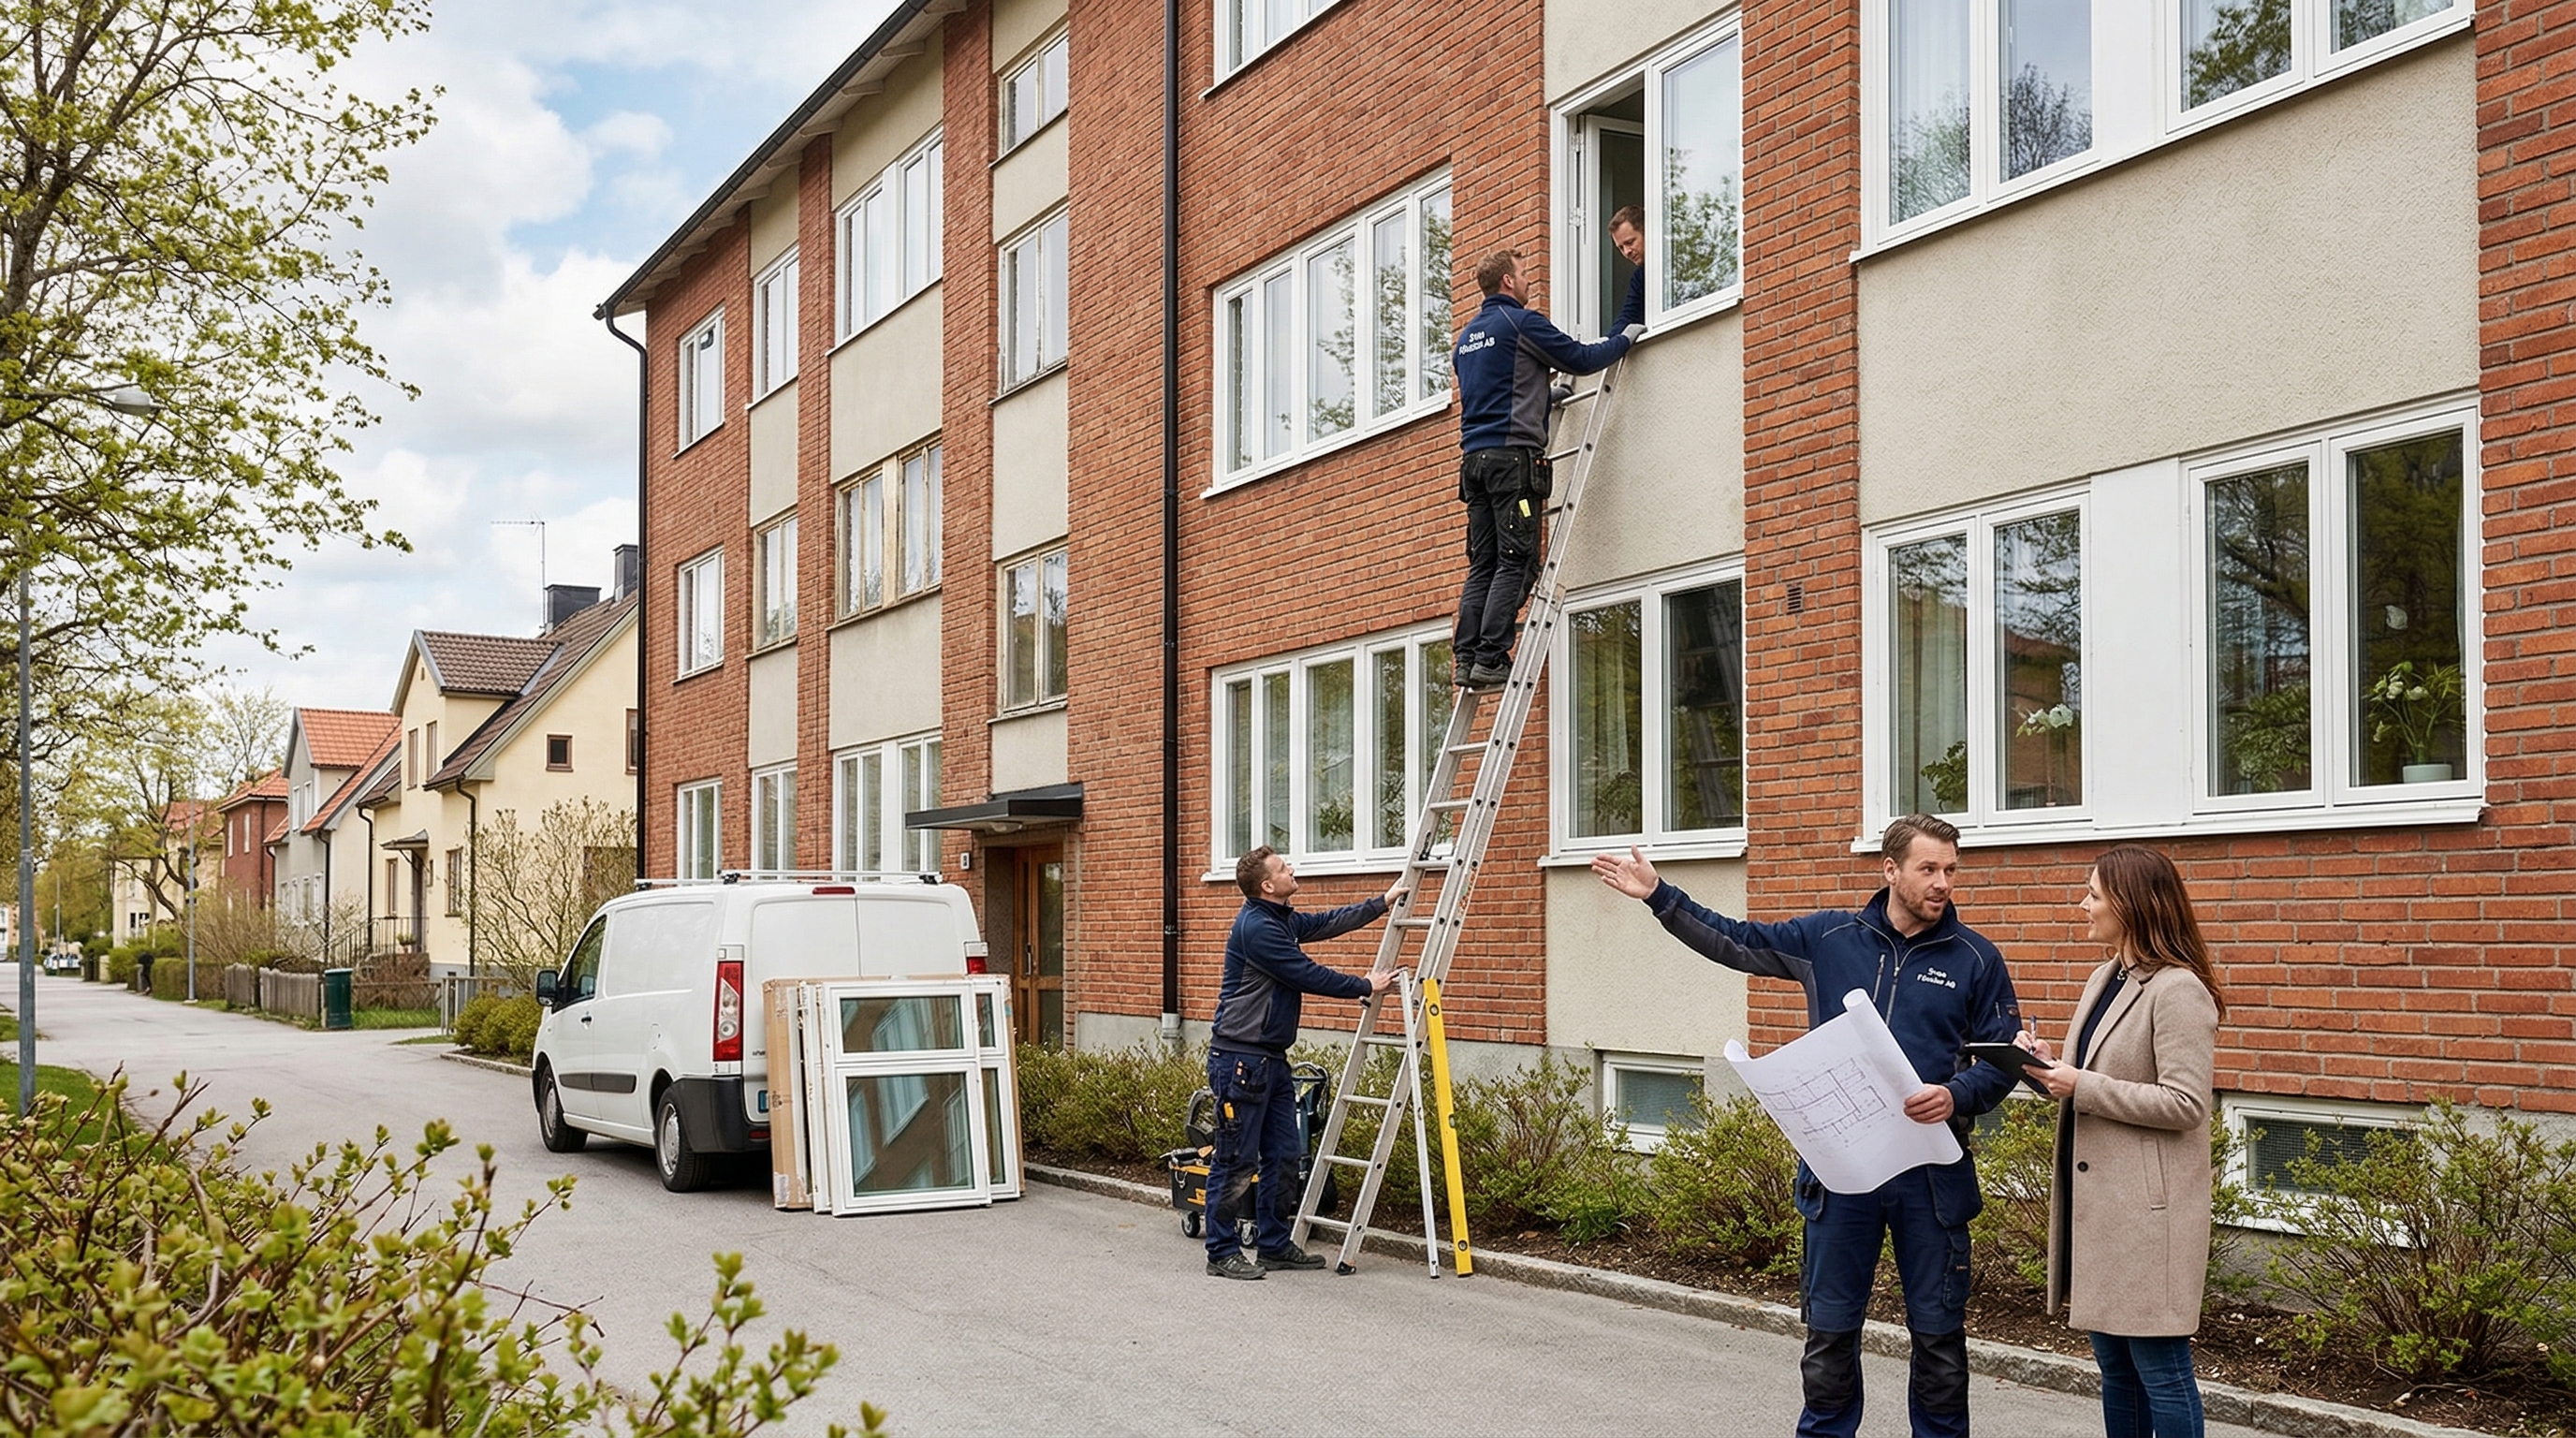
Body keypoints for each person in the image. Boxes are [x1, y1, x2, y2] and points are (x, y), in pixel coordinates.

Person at [1592, 814, 2024, 1438]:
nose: (1942, 884)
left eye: (1950, 871)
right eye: (1928, 869)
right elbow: (1735, 940)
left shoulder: (1976, 959)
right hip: (1842, 1171)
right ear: (1891, 870)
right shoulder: (1830, 937)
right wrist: (1661, 897)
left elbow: (2003, 1060)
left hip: (1931, 1177)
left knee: (1938, 1336)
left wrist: (1956, 1094)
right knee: (1830, 1331)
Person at [2018, 845, 2225, 1438]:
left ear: (2131, 905)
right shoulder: (2105, 976)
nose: (2082, 905)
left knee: (2160, 1369)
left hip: (2147, 1217)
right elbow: (2097, 1078)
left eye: (2093, 894)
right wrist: (2049, 1066)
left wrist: (2082, 1083)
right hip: (2103, 1211)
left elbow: (2185, 1105)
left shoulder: (2179, 990)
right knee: (2116, 1369)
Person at [1203, 845, 1404, 1281]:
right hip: (1240, 1059)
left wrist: (1381, 903)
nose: (1292, 869)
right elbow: (1303, 972)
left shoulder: (1281, 918)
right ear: (1267, 885)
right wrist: (1362, 985)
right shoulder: (1257, 927)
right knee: (1236, 1159)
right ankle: (1221, 1252)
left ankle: (1274, 1245)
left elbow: (1326, 923)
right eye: (1283, 868)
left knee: (1286, 1155)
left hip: (1270, 1060)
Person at [1449, 247, 1639, 690]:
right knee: (1517, 560)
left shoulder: (1468, 337)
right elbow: (1582, 360)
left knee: (1484, 563)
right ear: (1508, 283)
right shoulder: (1520, 322)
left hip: (1474, 464)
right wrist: (1625, 338)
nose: (1529, 281)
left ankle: (1466, 658)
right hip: (1512, 463)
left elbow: (1496, 392)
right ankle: (1492, 659)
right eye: (1524, 273)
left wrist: (1543, 399)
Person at [1609, 203, 1647, 333]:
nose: (1626, 252)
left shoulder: (1676, 260)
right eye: (1621, 248)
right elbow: (1629, 315)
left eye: (1630, 243)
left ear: (1646, 232)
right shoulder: (1640, 277)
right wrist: (1606, 344)